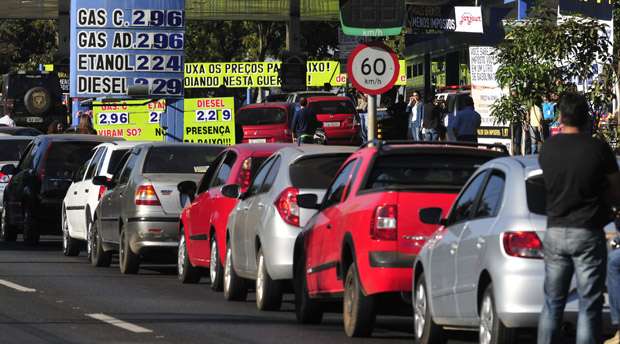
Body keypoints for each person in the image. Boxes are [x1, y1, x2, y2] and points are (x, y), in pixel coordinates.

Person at [537, 92, 620, 344]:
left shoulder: (548, 149)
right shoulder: (597, 149)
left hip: (555, 230)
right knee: (589, 304)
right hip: (587, 232)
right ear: (587, 118)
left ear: (561, 117)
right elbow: (616, 192)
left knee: (552, 302)